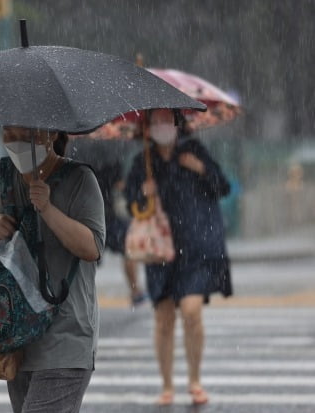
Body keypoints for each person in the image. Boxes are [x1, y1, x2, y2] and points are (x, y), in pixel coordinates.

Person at [0, 127, 105, 413]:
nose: (16, 142)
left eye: (27, 134)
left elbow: (92, 247)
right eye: (8, 133)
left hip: (65, 337)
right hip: (15, 337)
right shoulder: (2, 174)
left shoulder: (80, 178)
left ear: (50, 134)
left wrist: (47, 208)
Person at [124, 109, 232, 406]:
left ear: (177, 123)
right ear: (147, 127)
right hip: (161, 250)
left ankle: (195, 379)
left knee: (192, 310)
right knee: (164, 318)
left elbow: (222, 187)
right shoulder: (143, 163)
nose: (162, 126)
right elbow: (132, 203)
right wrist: (142, 194)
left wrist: (201, 169)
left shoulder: (195, 150)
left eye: (166, 120)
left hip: (196, 248)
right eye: (155, 121)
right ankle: (167, 384)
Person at [95, 161, 147, 307]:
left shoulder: (82, 153)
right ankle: (135, 291)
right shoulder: (113, 158)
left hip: (93, 215)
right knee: (128, 249)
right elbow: (120, 185)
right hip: (108, 217)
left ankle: (135, 291)